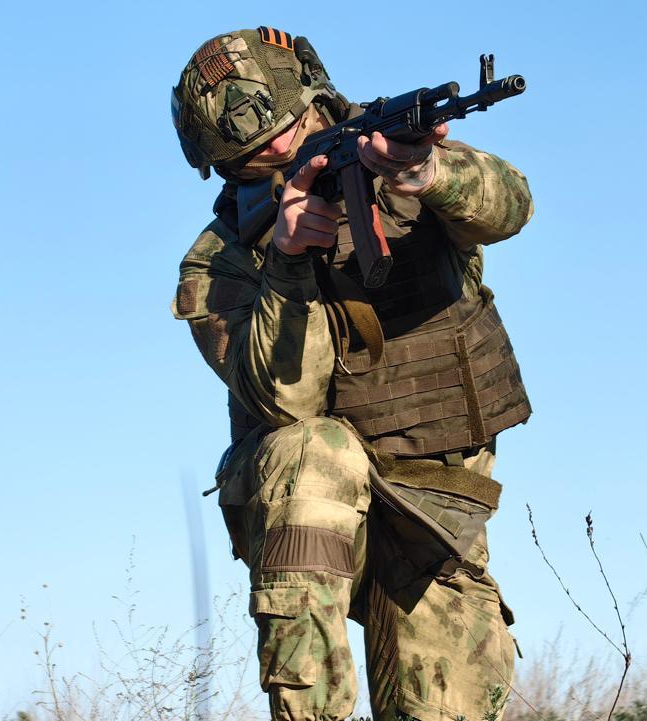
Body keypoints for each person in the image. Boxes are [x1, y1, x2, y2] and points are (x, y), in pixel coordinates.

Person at [170, 27, 535, 721]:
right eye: (251, 158)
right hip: (305, 518)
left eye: (291, 130)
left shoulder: (397, 152)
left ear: (316, 100)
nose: (278, 153)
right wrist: (286, 262)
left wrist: (429, 174)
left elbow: (511, 205)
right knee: (313, 449)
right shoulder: (219, 263)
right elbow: (286, 403)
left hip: (434, 508)